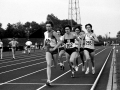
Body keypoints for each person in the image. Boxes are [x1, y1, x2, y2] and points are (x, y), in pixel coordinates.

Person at [42, 21, 61, 86]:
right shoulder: (45, 33)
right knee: (48, 64)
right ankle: (48, 80)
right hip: (48, 49)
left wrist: (55, 48)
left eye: (49, 26)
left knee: (55, 65)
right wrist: (44, 45)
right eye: (47, 26)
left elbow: (60, 42)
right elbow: (45, 39)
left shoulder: (54, 33)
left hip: (54, 49)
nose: (48, 27)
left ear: (51, 27)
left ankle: (57, 62)